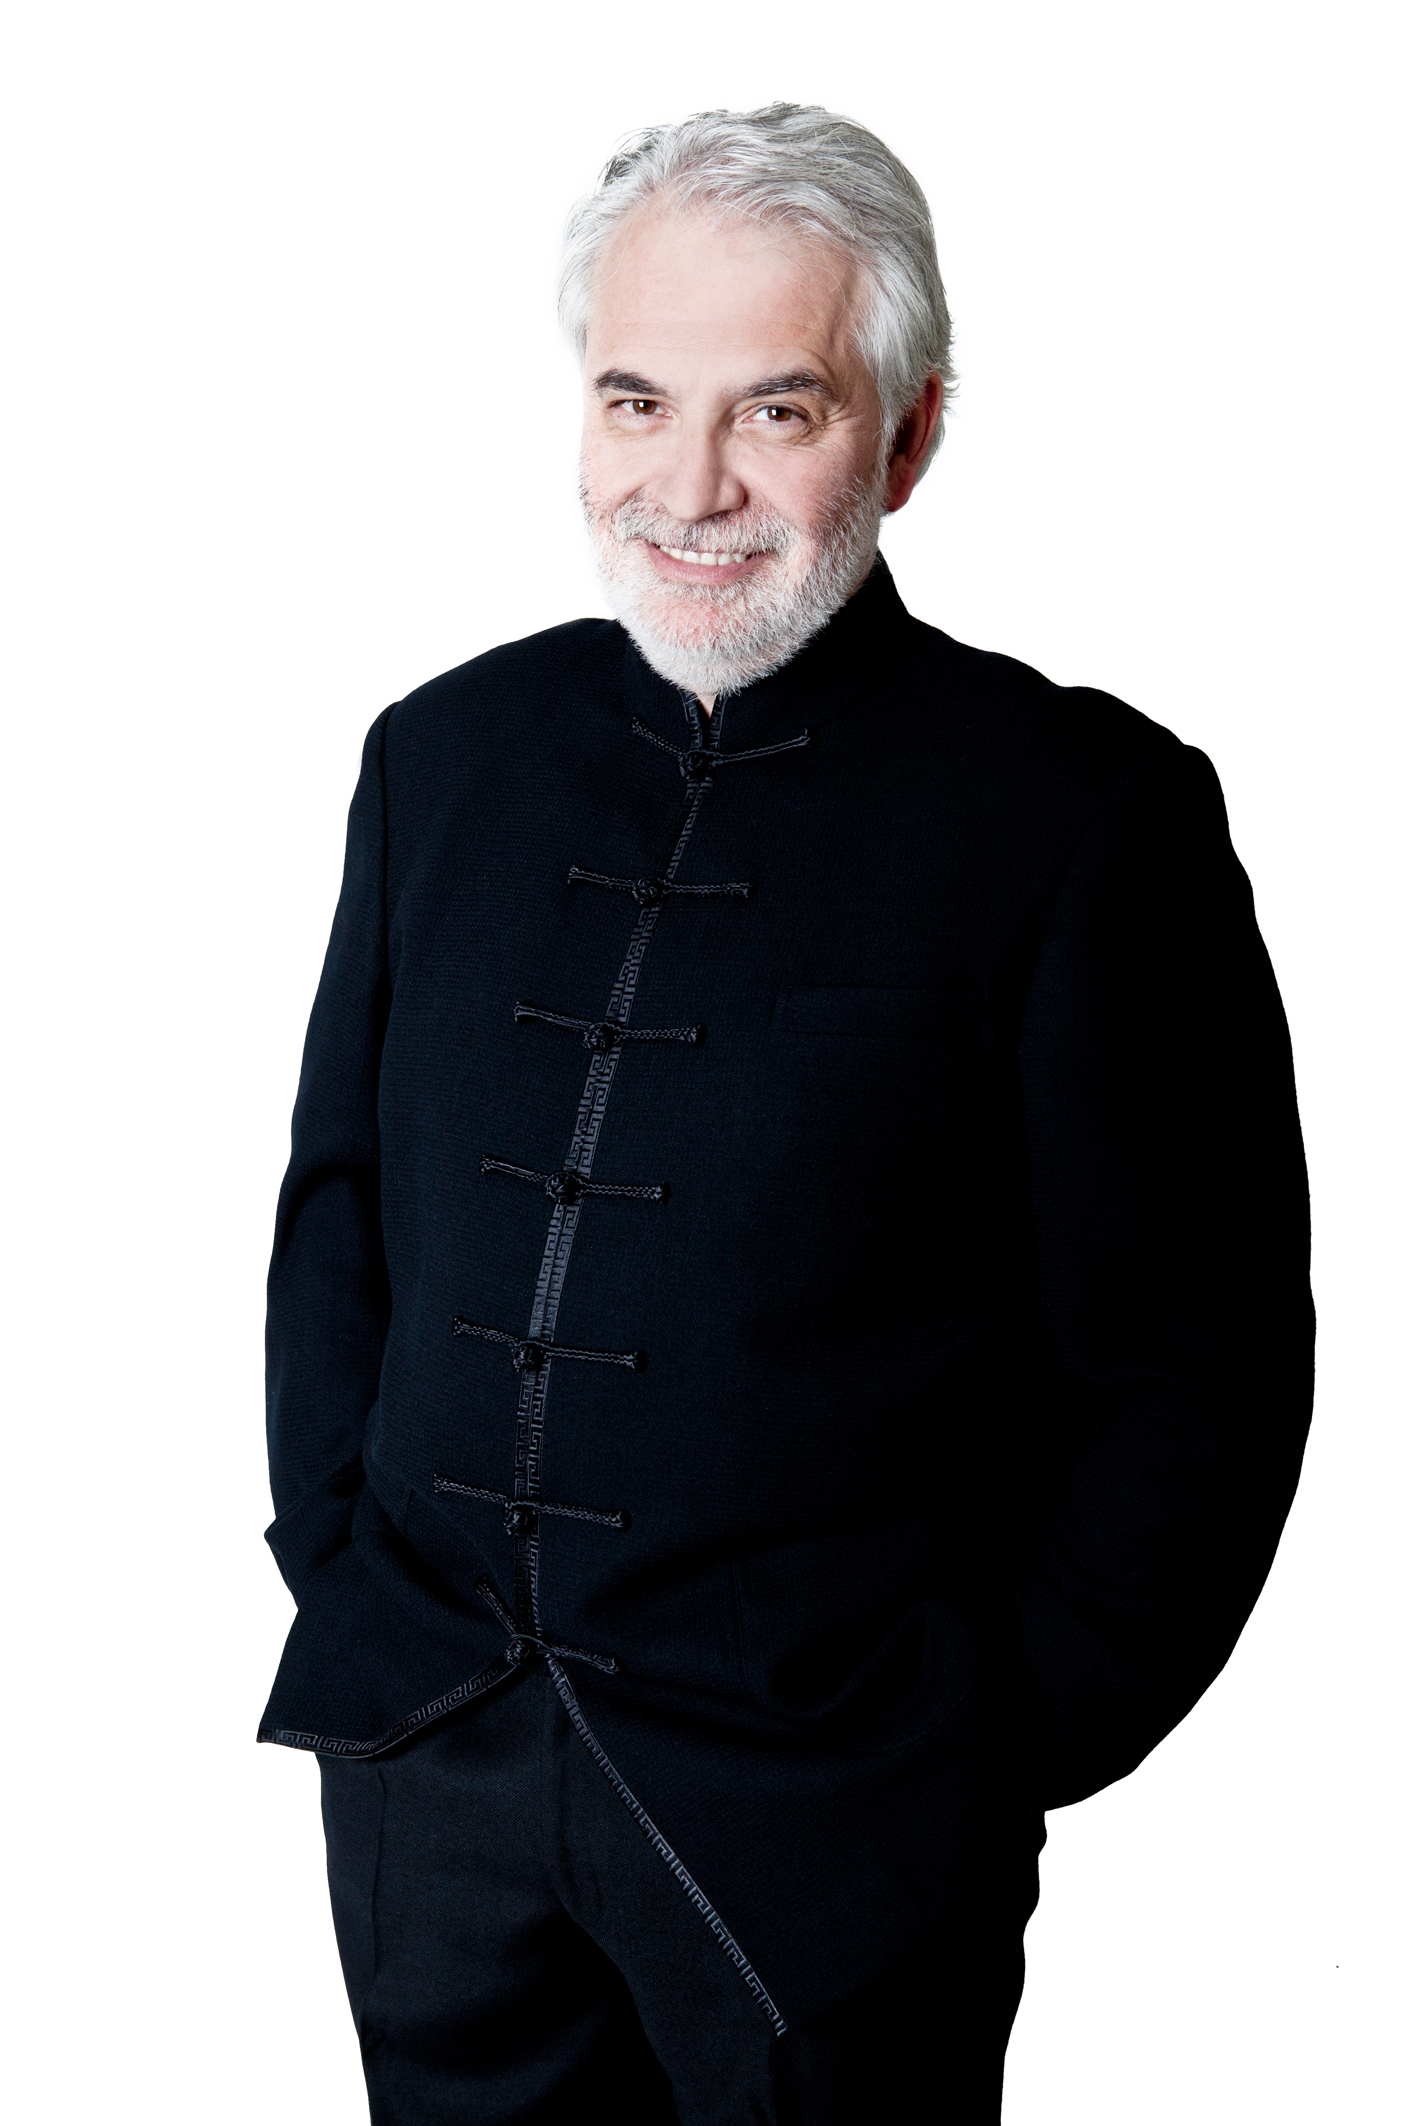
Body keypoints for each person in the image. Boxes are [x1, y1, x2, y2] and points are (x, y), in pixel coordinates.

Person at [259, 104, 1313, 2124]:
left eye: (780, 408)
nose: (691, 487)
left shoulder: (1084, 815)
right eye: (637, 398)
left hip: (833, 1836)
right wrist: (344, 1564)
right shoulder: (440, 756)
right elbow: (343, 1215)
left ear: (906, 437)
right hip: (430, 1778)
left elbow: (1196, 1366)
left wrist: (982, 1741)